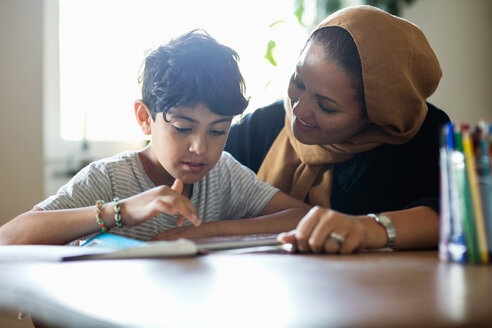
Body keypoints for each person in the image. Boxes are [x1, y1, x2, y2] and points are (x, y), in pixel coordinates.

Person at [0, 29, 310, 246]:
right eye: (182, 127)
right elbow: (8, 238)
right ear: (145, 118)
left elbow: (303, 217)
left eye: (218, 131)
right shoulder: (109, 179)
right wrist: (121, 211)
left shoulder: (224, 175)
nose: (200, 148)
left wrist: (208, 232)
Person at [225, 5, 450, 254]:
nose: (298, 109)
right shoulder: (267, 124)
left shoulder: (420, 135)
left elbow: (459, 212)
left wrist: (368, 228)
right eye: (298, 82)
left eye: (326, 106)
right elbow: (202, 172)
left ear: (375, 114)